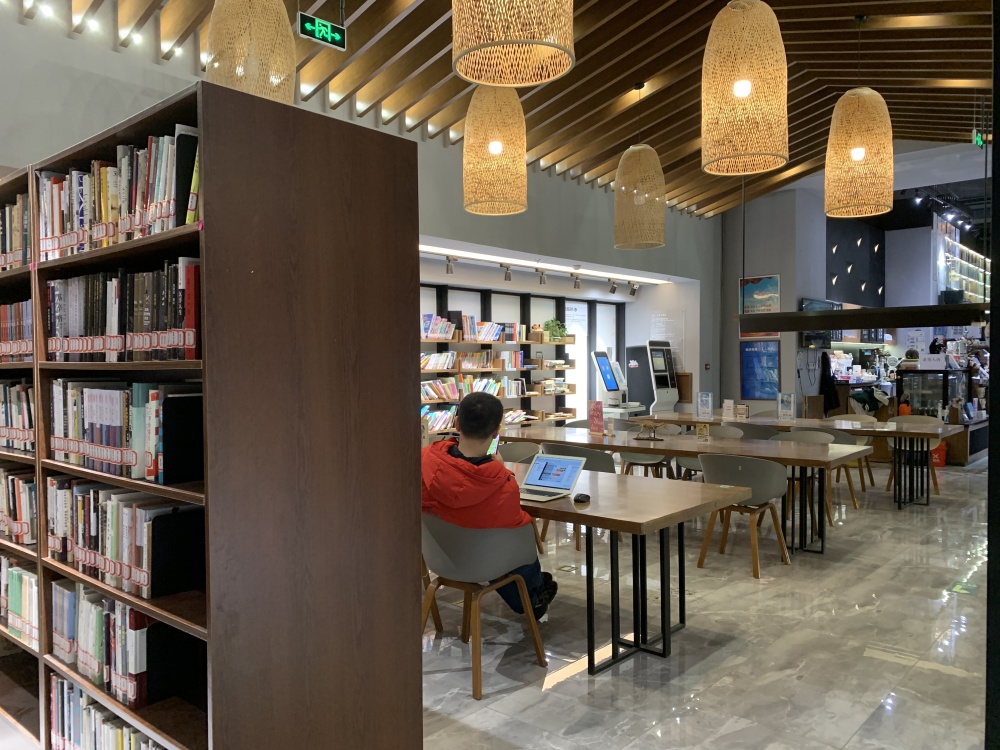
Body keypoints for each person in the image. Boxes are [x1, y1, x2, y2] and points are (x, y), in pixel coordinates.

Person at [421, 392, 557, 620]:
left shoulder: (424, 461)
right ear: (496, 432)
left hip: (442, 560)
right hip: (484, 562)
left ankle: (536, 591)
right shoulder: (501, 485)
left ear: (457, 424)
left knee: (491, 536)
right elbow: (515, 525)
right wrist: (501, 471)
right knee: (513, 539)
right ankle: (533, 596)